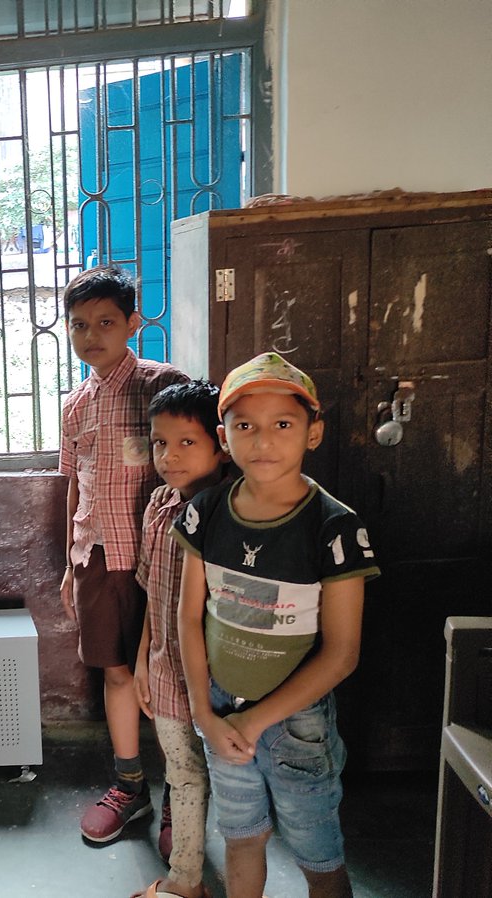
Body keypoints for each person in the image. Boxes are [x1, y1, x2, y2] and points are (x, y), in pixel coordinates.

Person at [174, 352, 379, 898]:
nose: (263, 440)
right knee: (241, 837)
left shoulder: (333, 527)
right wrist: (204, 714)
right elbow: (188, 617)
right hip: (220, 710)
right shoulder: (206, 511)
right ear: (224, 437)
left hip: (297, 723)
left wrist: (255, 721)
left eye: (283, 424)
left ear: (314, 432)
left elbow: (342, 653)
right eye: (245, 426)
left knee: (318, 853)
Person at [58, 266, 189, 844]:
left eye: (106, 322)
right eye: (79, 325)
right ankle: (130, 787)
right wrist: (71, 562)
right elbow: (74, 485)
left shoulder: (164, 385)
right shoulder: (75, 404)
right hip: (98, 557)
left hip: (165, 561)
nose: (92, 335)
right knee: (116, 671)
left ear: (133, 323)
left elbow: (198, 469)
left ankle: (180, 794)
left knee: (171, 679)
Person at [133, 381, 231, 898]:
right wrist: (142, 661)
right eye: (159, 443)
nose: (168, 456)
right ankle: (185, 881)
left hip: (223, 680)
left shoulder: (236, 512)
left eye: (186, 442)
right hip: (166, 669)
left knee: (235, 788)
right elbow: (152, 590)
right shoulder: (158, 506)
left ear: (221, 444)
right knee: (183, 772)